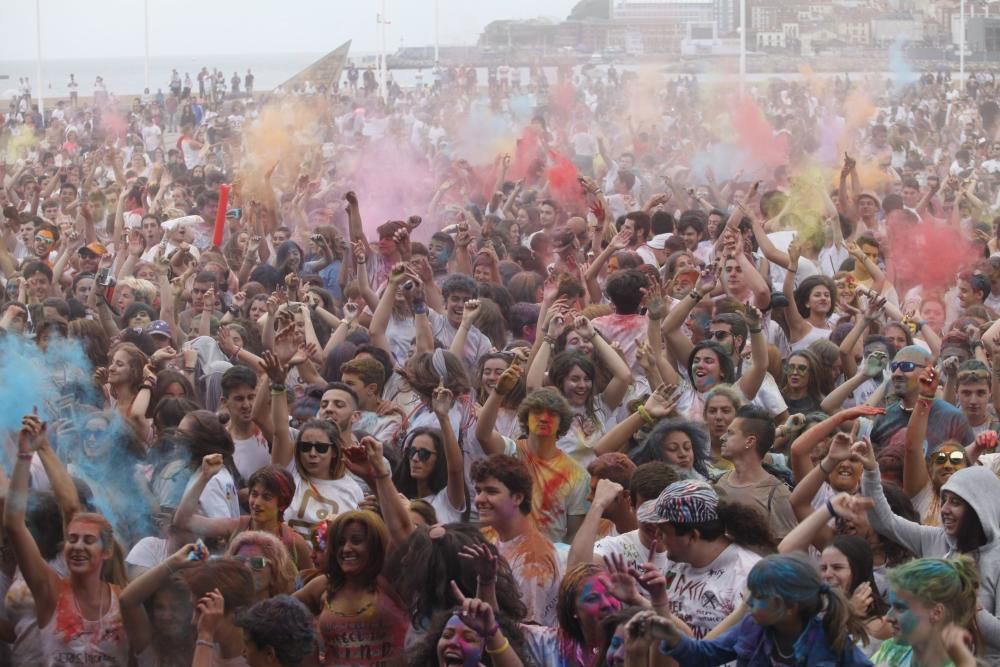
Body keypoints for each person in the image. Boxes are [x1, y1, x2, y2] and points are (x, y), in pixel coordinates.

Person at [4, 412, 130, 665]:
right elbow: (14, 525)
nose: (78, 546)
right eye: (72, 539)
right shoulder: (51, 592)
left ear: (106, 551)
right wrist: (26, 454)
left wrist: (45, 448)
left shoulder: (124, 602)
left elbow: (71, 507)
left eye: (88, 541)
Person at [856, 440, 1000, 660]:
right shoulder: (935, 539)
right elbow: (885, 522)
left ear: (978, 508)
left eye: (955, 502)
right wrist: (870, 471)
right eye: (944, 500)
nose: (945, 510)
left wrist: (970, 605)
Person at [651, 553, 872, 666]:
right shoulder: (751, 627)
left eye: (758, 597)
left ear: (789, 607)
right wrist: (674, 638)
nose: (749, 602)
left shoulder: (829, 638)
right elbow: (705, 655)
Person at [476, 379, 590, 543]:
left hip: (543, 554)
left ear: (561, 423)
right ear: (526, 418)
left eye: (552, 414)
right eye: (537, 412)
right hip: (497, 549)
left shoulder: (578, 475)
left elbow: (574, 536)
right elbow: (483, 436)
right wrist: (498, 392)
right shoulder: (511, 452)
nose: (544, 418)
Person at [294, 510, 408, 666]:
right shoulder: (323, 585)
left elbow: (403, 530)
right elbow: (281, 614)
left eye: (357, 541)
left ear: (375, 545)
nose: (346, 549)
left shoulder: (392, 582)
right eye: (340, 542)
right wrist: (310, 654)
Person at [472, 454, 560, 625]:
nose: (479, 499)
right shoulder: (491, 535)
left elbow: (527, 630)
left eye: (491, 491)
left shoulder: (533, 561)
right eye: (478, 491)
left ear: (518, 498)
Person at [871, 556, 980, 667]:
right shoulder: (892, 650)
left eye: (900, 608)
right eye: (891, 606)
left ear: (937, 612)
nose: (888, 617)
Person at [714, 405, 799, 539]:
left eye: (730, 433)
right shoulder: (719, 483)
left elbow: (788, 547)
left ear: (750, 441)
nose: (722, 438)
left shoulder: (776, 494)